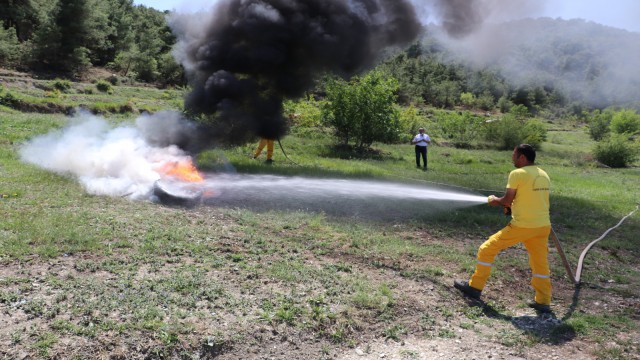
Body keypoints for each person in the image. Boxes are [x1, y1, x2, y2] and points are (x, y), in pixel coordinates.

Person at [454, 144, 552, 313]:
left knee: (486, 249)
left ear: (522, 157)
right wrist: (512, 206)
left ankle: (475, 287)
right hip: (542, 226)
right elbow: (530, 199)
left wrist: (494, 200)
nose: (512, 158)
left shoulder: (517, 173)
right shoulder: (543, 174)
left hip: (523, 225)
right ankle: (543, 301)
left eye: (514, 155)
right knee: (540, 264)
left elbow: (506, 200)